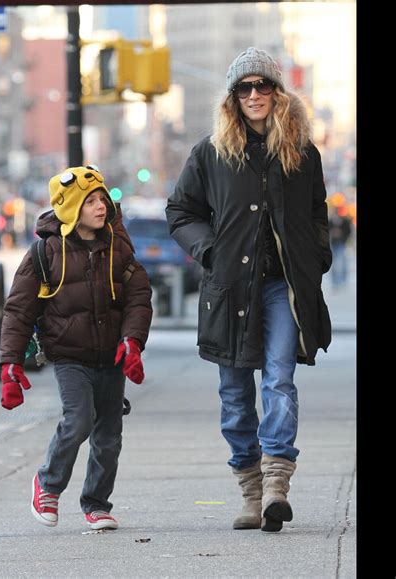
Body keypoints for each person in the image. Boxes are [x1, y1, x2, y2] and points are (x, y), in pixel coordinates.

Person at [166, 47, 332, 533]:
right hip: (231, 290)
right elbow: (181, 212)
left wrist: (316, 258)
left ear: (278, 94)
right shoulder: (211, 153)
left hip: (284, 287)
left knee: (279, 378)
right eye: (245, 88)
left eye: (263, 86)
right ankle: (250, 491)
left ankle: (277, 482)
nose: (254, 94)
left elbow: (318, 213)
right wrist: (210, 252)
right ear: (233, 98)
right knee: (235, 394)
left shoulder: (302, 152)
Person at [0, 165, 153, 530]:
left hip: (111, 356)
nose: (101, 207)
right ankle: (48, 484)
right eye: (91, 202)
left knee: (109, 437)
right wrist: (10, 366)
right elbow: (19, 310)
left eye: (103, 199)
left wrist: (132, 342)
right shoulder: (45, 253)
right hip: (69, 355)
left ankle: (97, 502)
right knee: (79, 420)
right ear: (71, 209)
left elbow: (139, 297)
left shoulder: (118, 248)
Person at [328, 205, 353, 290]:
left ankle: (343, 281)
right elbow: (326, 231)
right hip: (333, 244)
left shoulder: (345, 220)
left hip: (342, 244)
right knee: (334, 264)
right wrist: (332, 233)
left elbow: (349, 231)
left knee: (343, 262)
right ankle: (335, 282)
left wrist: (342, 235)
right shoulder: (331, 221)